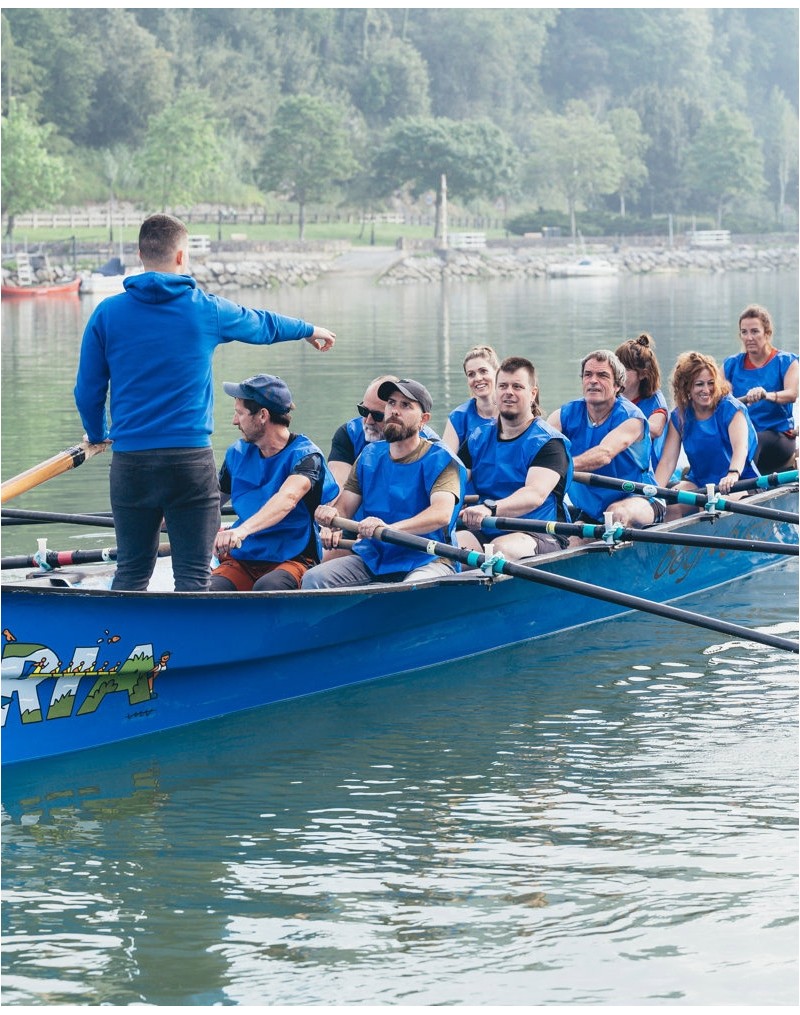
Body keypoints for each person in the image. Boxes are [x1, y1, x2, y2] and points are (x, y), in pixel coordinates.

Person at [74, 213, 336, 592]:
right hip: (188, 463)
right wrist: (308, 330)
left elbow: (88, 391)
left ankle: (121, 631)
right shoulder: (205, 309)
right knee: (194, 578)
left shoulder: (106, 314)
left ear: (140, 254)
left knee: (130, 572)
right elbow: (261, 324)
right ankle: (193, 631)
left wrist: (98, 434)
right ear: (182, 256)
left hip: (131, 463)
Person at [302, 378, 466, 588]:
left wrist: (388, 529)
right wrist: (331, 516)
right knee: (314, 578)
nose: (395, 410)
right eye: (391, 403)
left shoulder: (441, 460)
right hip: (376, 556)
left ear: (423, 419)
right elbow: (345, 507)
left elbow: (441, 515)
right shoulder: (368, 456)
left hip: (428, 558)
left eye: (405, 405)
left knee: (409, 589)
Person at [210, 374, 339, 591]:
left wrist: (241, 531)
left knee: (268, 587)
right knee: (209, 591)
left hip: (293, 558)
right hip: (243, 558)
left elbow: (288, 498)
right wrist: (165, 520)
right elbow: (210, 503)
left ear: (263, 415)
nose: (234, 421)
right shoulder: (237, 453)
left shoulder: (307, 456)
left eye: (240, 413)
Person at [458, 356, 572, 560]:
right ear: (495, 392)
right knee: (449, 546)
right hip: (488, 528)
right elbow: (452, 480)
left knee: (500, 550)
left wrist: (490, 508)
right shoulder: (477, 438)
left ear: (532, 394)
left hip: (539, 531)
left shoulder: (549, 443)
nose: (508, 392)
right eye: (503, 386)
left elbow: (534, 494)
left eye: (517, 386)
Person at [547, 349, 664, 528]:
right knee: (571, 541)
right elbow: (540, 449)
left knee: (616, 513)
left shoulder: (632, 418)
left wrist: (557, 467)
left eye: (602, 375)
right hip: (592, 510)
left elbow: (604, 454)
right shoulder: (563, 415)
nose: (593, 380)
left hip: (641, 499)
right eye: (588, 375)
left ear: (617, 386)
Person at [655, 351, 759, 519]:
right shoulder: (679, 416)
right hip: (700, 482)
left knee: (710, 507)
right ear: (687, 388)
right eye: (699, 384)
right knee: (670, 506)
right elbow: (667, 462)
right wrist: (653, 495)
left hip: (739, 481)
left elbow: (741, 448)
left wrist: (732, 474)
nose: (706, 390)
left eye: (711, 383)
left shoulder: (731, 408)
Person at [327, 374, 441, 491]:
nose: (368, 421)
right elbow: (337, 489)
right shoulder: (350, 434)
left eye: (378, 415)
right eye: (364, 411)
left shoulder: (433, 449)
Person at [723, 304, 798, 473]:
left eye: (755, 331)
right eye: (744, 332)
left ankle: (741, 483)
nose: (749, 337)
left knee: (753, 440)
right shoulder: (731, 365)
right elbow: (720, 397)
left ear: (767, 333)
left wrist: (765, 395)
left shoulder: (787, 362)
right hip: (741, 434)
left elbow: (792, 394)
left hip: (778, 437)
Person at [614, 333, 668, 469]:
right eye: (616, 368)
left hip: (645, 469)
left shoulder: (654, 400)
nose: (618, 374)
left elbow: (656, 429)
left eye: (625, 369)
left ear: (643, 374)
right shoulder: (612, 396)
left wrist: (623, 423)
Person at [442, 344, 500, 455]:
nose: (477, 378)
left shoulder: (512, 412)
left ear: (497, 372)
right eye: (471, 374)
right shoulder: (458, 417)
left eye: (483, 371)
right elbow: (446, 461)